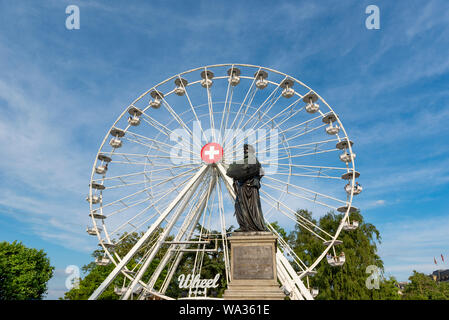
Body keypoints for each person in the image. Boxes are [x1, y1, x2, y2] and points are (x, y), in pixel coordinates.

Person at [226, 144, 266, 232]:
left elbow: (261, 172)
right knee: (239, 206)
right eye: (244, 149)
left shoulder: (253, 160)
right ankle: (244, 225)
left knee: (250, 207)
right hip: (242, 187)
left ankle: (252, 226)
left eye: (246, 149)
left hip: (249, 187)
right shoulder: (247, 161)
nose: (245, 151)